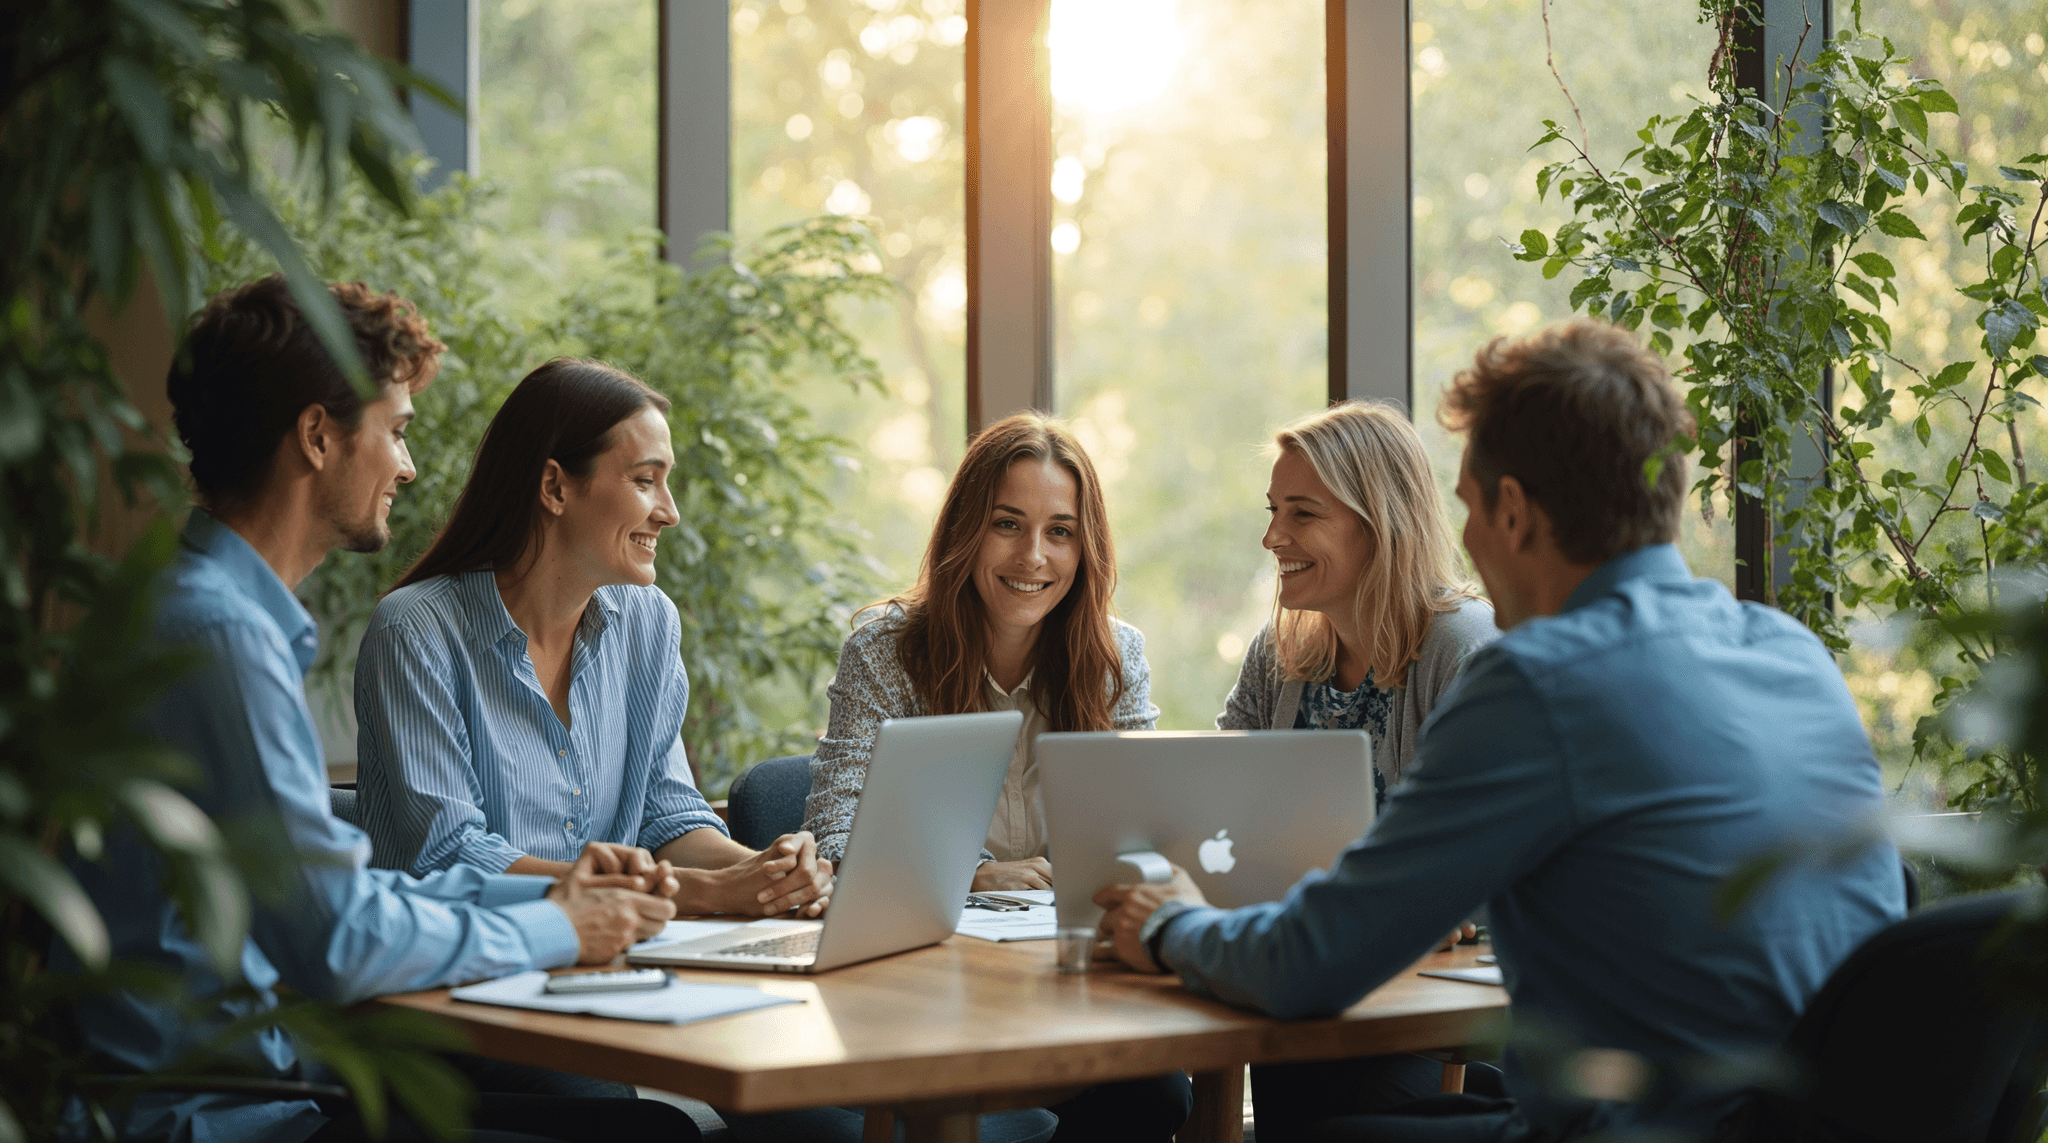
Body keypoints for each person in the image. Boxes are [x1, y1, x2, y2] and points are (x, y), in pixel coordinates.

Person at [1094, 320, 1906, 1143]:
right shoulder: (1792, 652)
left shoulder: (1538, 678)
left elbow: (1311, 964)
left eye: (1471, 509)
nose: (1468, 543)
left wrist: (1168, 923)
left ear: (1512, 511)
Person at [58, 275, 695, 1143]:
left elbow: (348, 894)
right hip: (212, 1115)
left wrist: (560, 894)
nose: (409, 463)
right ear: (319, 437)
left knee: (645, 1129)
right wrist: (556, 924)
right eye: (395, 431)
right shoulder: (222, 636)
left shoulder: (203, 610)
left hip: (269, 1084)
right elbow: (340, 938)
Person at [803, 413, 1191, 1143]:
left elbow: (1149, 838)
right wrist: (977, 873)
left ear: (1086, 546)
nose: (1033, 556)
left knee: (1158, 1092)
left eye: (1060, 531)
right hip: (928, 991)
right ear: (965, 531)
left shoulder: (1116, 657)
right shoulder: (885, 653)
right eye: (1007, 523)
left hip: (1067, 983)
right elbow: (836, 838)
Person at [353, 359, 831, 921]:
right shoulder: (415, 632)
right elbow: (453, 856)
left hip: (611, 957)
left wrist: (768, 874)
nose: (670, 512)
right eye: (644, 480)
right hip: (454, 972)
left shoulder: (648, 622)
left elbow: (667, 816)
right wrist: (696, 893)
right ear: (555, 486)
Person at [1217, 401, 1502, 1134]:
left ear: (1379, 521)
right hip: (1303, 985)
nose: (1272, 536)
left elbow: (1490, 861)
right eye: (1274, 509)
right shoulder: (1280, 652)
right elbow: (1212, 804)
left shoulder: (1461, 650)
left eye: (1301, 514)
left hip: (1423, 1020)